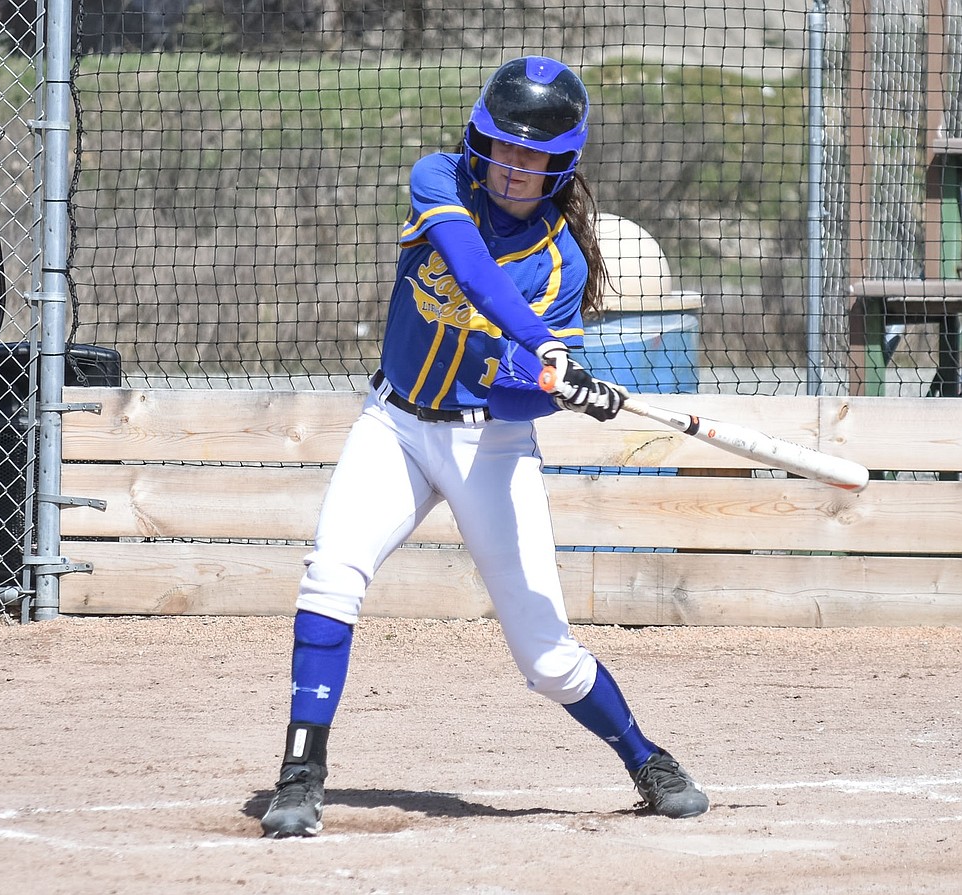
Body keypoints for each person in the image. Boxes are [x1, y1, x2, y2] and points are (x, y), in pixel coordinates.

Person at [259, 55, 709, 838]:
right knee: (331, 574)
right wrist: (541, 352)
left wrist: (542, 384)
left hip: (489, 447)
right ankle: (301, 772)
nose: (513, 166)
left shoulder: (560, 262)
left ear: (561, 164)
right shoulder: (440, 180)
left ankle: (645, 756)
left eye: (533, 155)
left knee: (547, 657)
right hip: (395, 423)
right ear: (477, 141)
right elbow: (469, 273)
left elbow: (502, 396)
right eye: (502, 146)